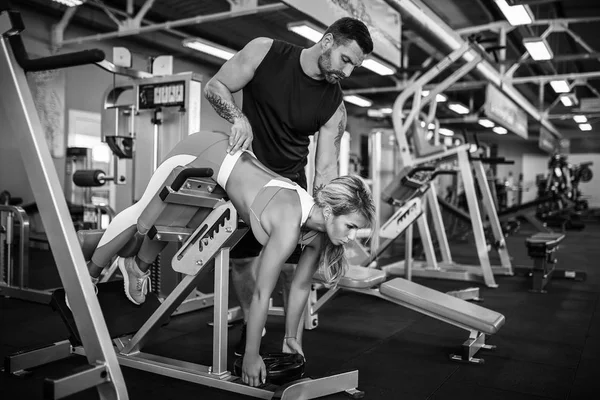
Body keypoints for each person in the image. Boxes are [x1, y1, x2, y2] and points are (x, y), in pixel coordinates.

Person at [78, 130, 375, 387]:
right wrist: (251, 355)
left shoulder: (317, 234)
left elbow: (299, 287)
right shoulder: (288, 222)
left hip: (229, 168)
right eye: (350, 226)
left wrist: (290, 336)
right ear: (328, 212)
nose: (351, 237)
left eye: (356, 230)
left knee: (174, 221)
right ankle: (87, 274)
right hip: (204, 152)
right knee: (143, 214)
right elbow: (261, 293)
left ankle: (134, 265)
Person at [203, 17, 374, 356]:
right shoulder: (265, 52)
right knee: (242, 263)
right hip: (246, 177)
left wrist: (328, 213)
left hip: (291, 182)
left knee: (291, 267)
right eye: (346, 60)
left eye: (355, 65)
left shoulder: (334, 105)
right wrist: (239, 117)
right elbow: (215, 86)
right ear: (327, 42)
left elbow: (325, 166)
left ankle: (291, 338)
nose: (348, 72)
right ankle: (255, 325)